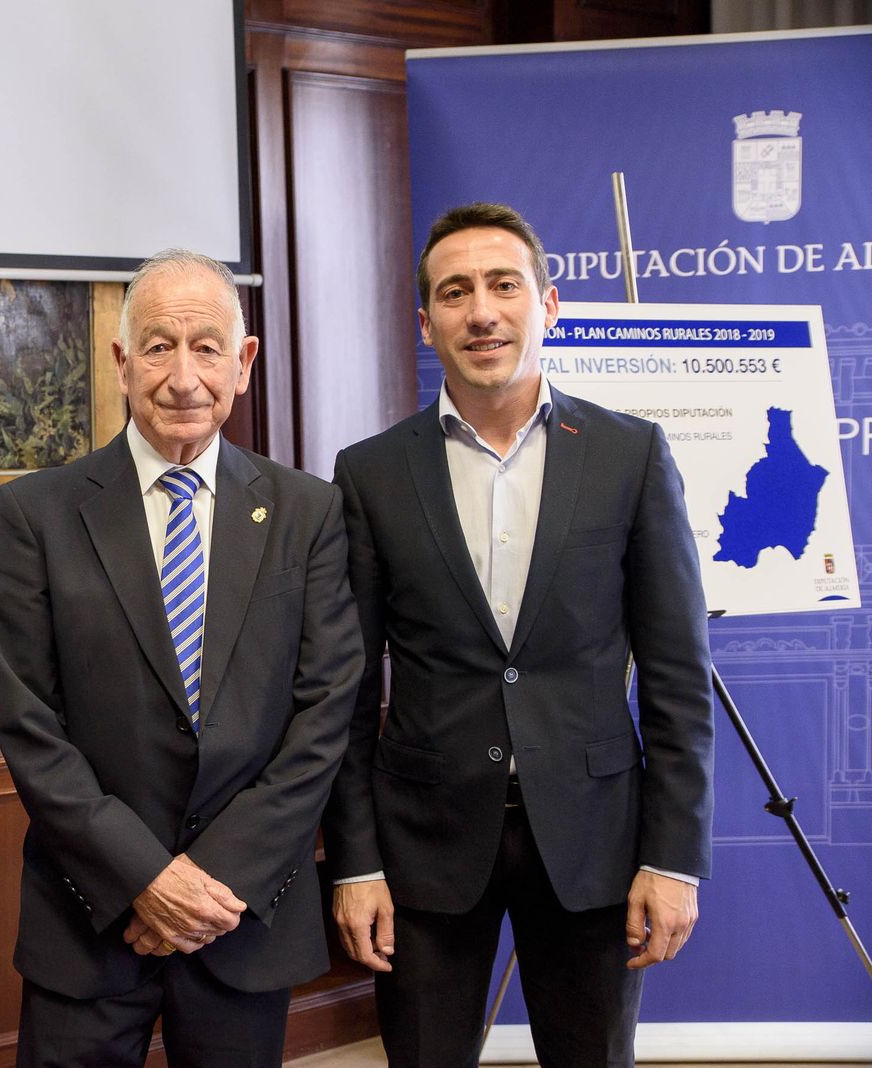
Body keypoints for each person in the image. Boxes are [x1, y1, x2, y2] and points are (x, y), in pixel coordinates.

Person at [325, 202, 715, 1066]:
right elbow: (344, 698)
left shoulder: (631, 456)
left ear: (548, 304)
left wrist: (675, 858)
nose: (482, 312)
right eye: (455, 293)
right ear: (426, 323)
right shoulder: (371, 474)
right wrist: (354, 864)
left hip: (594, 843)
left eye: (504, 285)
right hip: (423, 849)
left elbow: (678, 678)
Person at [0, 249, 363, 1067]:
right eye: (158, 346)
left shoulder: (308, 512)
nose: (183, 376)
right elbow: (29, 726)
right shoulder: (37, 514)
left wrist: (209, 883)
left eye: (206, 347)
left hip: (240, 914)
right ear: (122, 363)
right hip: (89, 913)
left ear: (244, 362)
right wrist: (145, 880)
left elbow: (325, 713)